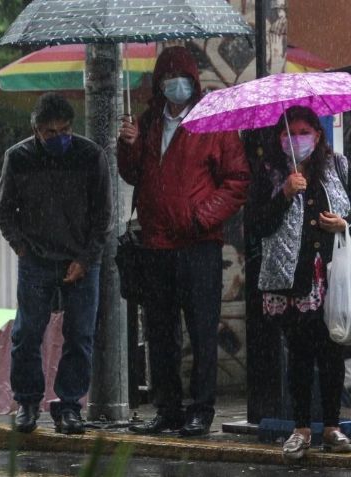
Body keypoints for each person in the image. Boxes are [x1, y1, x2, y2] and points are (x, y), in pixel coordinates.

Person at [118, 46, 250, 437]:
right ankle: (168, 408)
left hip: (198, 244)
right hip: (156, 244)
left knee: (202, 328)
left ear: (193, 82)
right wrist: (127, 145)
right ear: (160, 84)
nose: (175, 85)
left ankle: (201, 408)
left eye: (183, 78)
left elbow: (238, 180)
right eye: (168, 78)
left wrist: (200, 216)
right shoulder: (148, 123)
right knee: (160, 332)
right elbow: (133, 174)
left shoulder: (214, 123)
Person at [248, 106, 351, 460]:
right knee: (300, 353)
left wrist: (345, 223)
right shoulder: (270, 173)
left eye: (304, 132)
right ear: (279, 137)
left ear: (317, 135)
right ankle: (301, 427)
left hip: (331, 273)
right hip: (291, 277)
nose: (296, 139)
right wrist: (284, 194)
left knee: (333, 349)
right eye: (290, 133)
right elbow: (257, 225)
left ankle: (332, 426)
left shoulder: (338, 167)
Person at [0, 92, 112, 435]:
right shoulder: (17, 158)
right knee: (28, 334)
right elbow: (4, 210)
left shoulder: (91, 156)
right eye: (51, 133)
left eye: (65, 130)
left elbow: (102, 215)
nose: (59, 138)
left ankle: (70, 405)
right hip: (35, 260)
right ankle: (28, 403)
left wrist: (86, 259)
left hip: (80, 260)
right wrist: (20, 247)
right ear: (36, 130)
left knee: (80, 336)